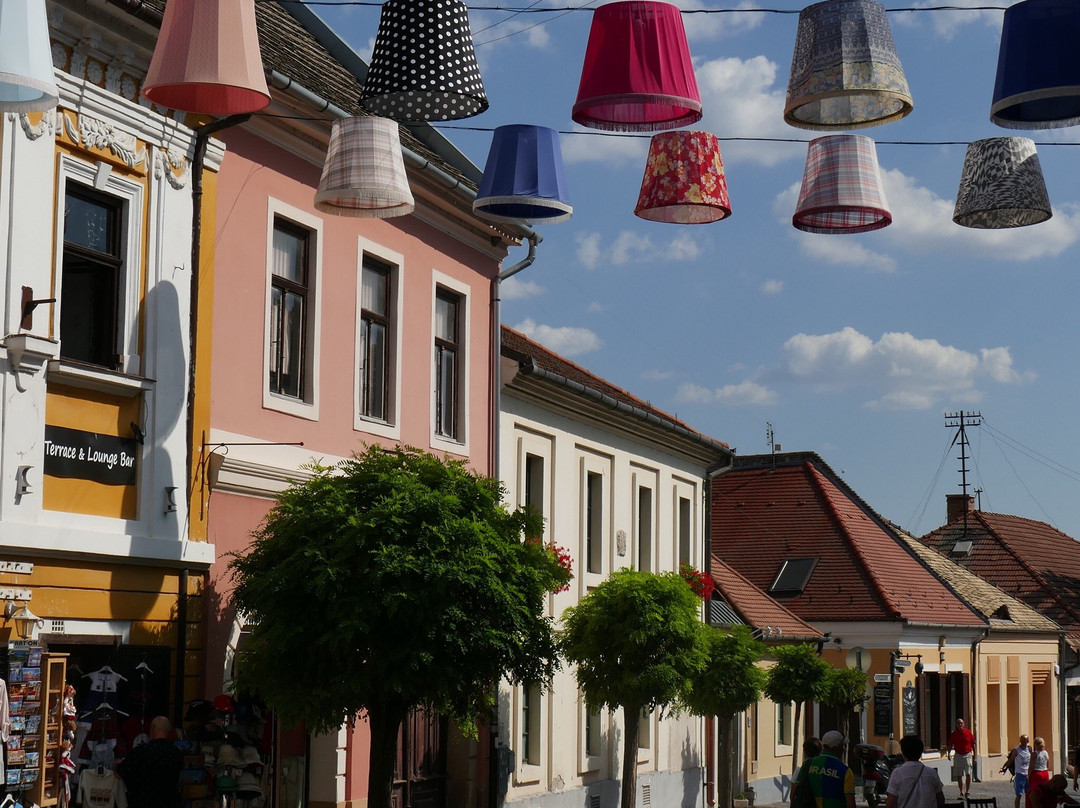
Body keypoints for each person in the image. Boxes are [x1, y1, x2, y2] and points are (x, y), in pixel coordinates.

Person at [117, 715, 182, 808]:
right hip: (168, 803)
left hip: (142, 803)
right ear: (169, 731)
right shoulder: (177, 753)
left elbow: (120, 772)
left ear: (152, 728)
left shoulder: (141, 751)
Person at [796, 730, 856, 808]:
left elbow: (795, 791)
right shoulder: (845, 771)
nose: (844, 749)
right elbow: (851, 804)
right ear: (837, 747)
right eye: (843, 746)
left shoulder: (807, 764)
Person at [886, 735, 944, 808]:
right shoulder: (932, 773)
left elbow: (891, 804)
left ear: (903, 753)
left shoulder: (897, 773)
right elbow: (941, 800)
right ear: (920, 753)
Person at [947, 718, 977, 798]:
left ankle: (967, 791)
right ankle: (961, 792)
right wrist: (949, 753)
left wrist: (975, 757)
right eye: (958, 723)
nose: (960, 725)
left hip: (967, 754)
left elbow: (973, 745)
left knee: (968, 773)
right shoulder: (954, 734)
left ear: (964, 724)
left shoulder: (968, 733)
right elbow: (950, 744)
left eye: (961, 723)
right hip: (958, 755)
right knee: (958, 774)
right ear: (956, 725)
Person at [1003, 734, 1033, 808]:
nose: (1023, 741)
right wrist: (1005, 768)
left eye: (1024, 740)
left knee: (1029, 794)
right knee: (1019, 795)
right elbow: (1010, 760)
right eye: (1021, 740)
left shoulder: (1029, 749)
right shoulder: (1016, 750)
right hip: (1020, 775)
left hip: (1028, 775)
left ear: (1028, 741)